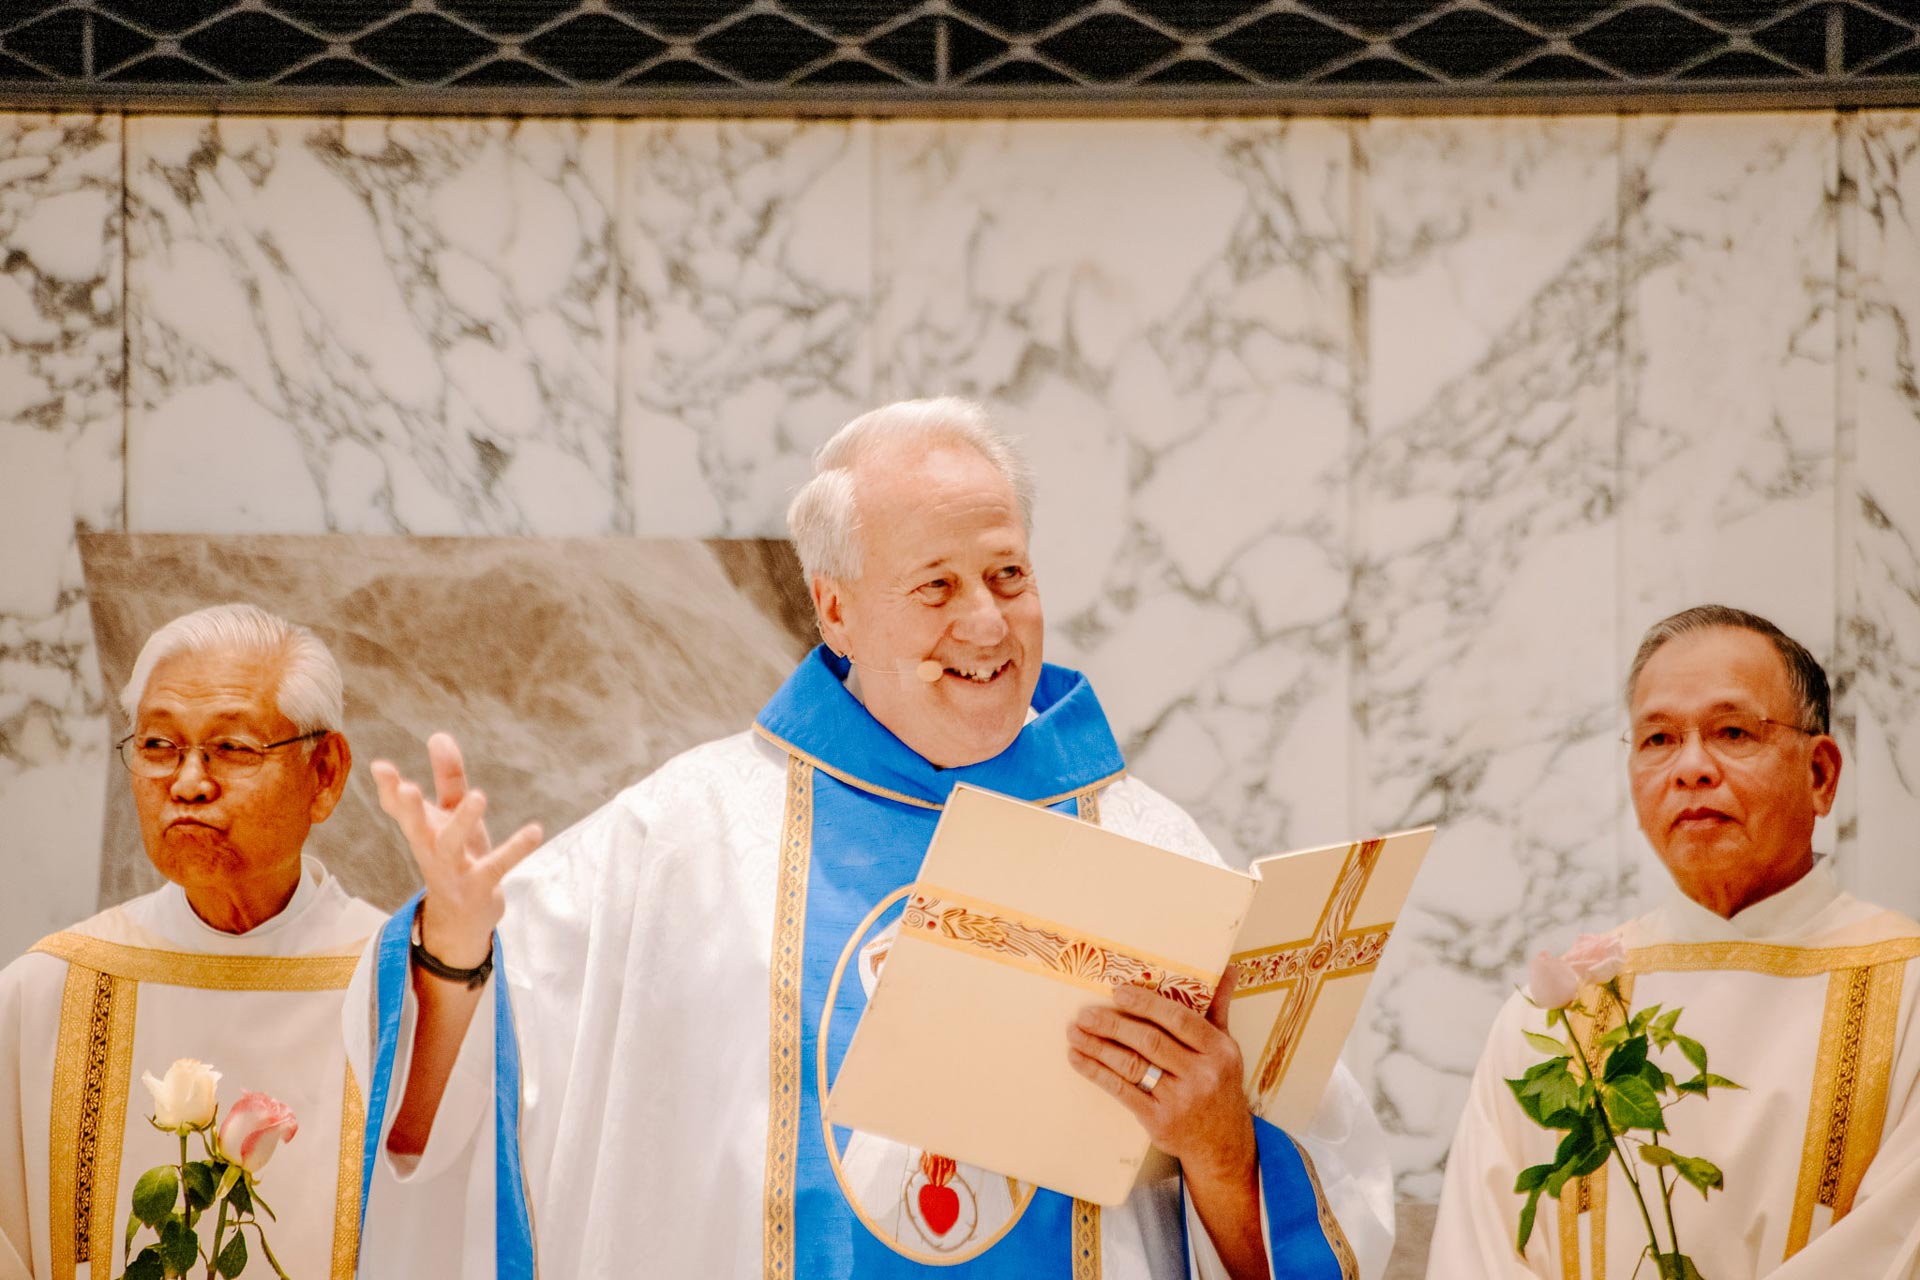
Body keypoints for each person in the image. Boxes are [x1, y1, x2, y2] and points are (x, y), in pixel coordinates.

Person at [350, 398, 1396, 1279]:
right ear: (836, 609)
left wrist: (1218, 1141)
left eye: (1009, 576)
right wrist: (451, 948)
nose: (986, 622)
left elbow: (1310, 1209)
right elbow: (457, 1105)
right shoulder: (686, 839)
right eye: (936, 584)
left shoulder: (1150, 843)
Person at [1428, 605, 1920, 1279]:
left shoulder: (1908, 988)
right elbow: (1477, 1256)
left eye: (1732, 731)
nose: (1691, 767)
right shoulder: (1557, 1013)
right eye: (1657, 739)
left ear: (1821, 775)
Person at [0, 603, 387, 1278]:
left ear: (323, 773)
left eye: (233, 748)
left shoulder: (400, 991)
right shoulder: (46, 992)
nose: (187, 782)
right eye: (158, 746)